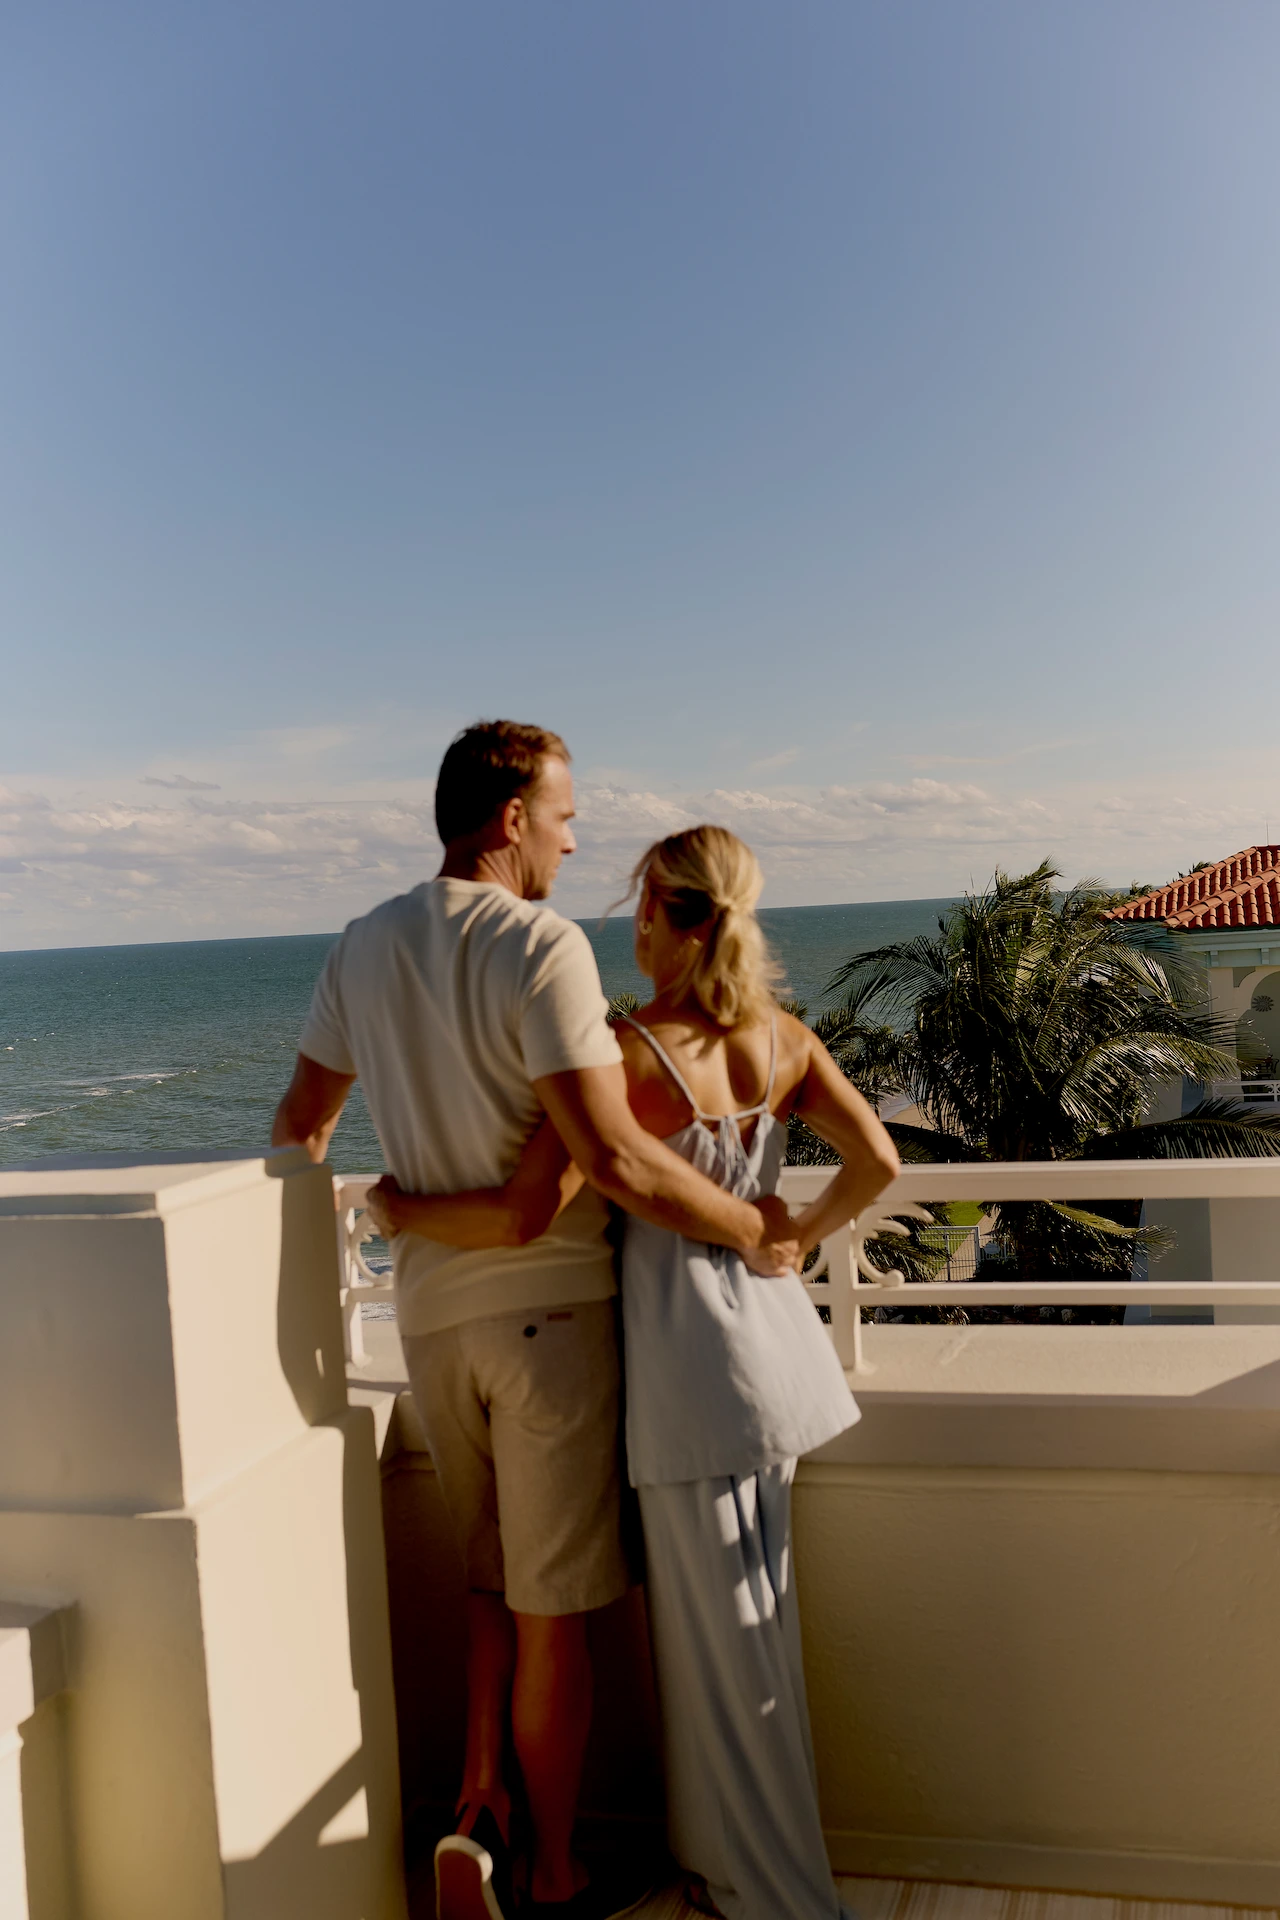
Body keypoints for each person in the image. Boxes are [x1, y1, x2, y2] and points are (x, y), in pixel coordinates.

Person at [273, 725, 799, 1920]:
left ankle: (474, 1817)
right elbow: (610, 1155)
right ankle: (555, 1877)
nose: (573, 838)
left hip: (429, 1322)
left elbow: (296, 1133)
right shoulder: (538, 944)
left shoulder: (361, 945)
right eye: (563, 816)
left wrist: (308, 1293)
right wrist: (749, 1227)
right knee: (554, 1610)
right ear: (508, 819)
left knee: (484, 1584)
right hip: (548, 1323)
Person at [373, 823, 901, 1920]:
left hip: (686, 1376)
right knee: (757, 1631)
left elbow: (533, 1208)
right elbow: (880, 1161)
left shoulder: (627, 1055)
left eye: (640, 905)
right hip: (772, 1353)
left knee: (715, 1660)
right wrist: (794, 1229)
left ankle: (767, 1889)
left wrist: (399, 1208)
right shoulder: (781, 1038)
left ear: (662, 914)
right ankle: (731, 1862)